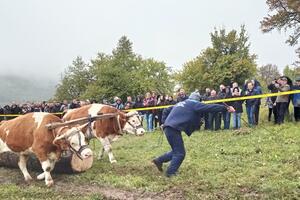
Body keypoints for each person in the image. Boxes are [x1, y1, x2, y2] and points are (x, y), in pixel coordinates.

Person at [152, 92, 235, 177]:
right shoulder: (194, 104)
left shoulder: (180, 103)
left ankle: (159, 160)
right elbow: (209, 107)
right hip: (173, 129)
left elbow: (166, 110)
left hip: (170, 128)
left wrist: (164, 122)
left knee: (176, 150)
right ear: (198, 100)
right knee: (180, 153)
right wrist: (226, 108)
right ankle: (170, 173)